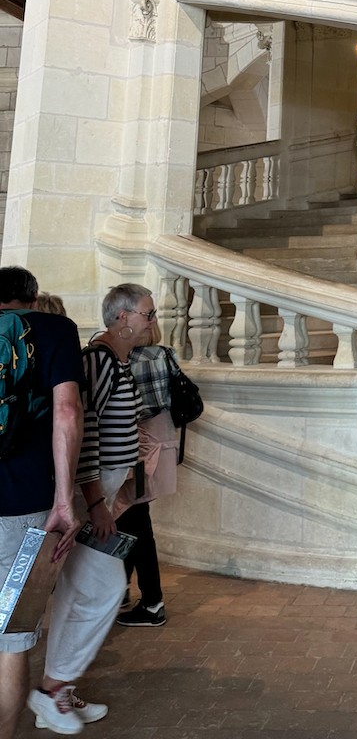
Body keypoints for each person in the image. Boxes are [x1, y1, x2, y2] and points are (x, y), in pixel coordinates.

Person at [30, 285, 156, 734]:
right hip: (90, 495)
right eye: (146, 313)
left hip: (102, 491)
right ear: (121, 318)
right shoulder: (98, 362)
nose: (152, 320)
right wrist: (95, 503)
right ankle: (51, 692)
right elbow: (82, 436)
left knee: (74, 591)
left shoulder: (119, 362)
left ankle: (55, 691)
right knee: (104, 588)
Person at [0, 267, 84, 739]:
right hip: (23, 502)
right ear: (32, 297)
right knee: (10, 641)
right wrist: (64, 499)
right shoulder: (53, 329)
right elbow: (67, 411)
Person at [112, 321, 179, 628]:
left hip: (137, 452)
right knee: (133, 518)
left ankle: (151, 601)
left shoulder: (127, 361)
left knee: (133, 521)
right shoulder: (166, 354)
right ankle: (123, 592)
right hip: (159, 449)